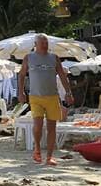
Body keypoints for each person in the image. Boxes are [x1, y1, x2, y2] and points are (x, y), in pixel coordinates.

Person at [18, 34, 74, 166]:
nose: (45, 44)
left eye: (46, 42)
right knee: (37, 125)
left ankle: (49, 157)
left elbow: (62, 75)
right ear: (35, 44)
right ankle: (37, 149)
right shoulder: (28, 58)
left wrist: (68, 93)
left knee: (52, 128)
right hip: (35, 97)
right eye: (42, 42)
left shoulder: (54, 58)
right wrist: (20, 92)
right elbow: (21, 75)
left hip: (52, 97)